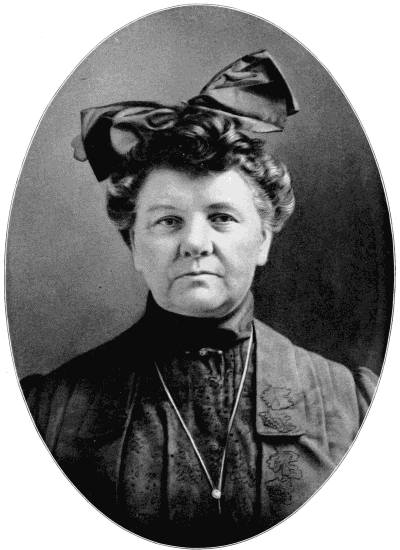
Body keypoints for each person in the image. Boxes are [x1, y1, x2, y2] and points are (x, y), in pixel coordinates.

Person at [21, 50, 377, 547]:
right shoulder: (46, 414)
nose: (194, 242)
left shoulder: (356, 406)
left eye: (222, 217)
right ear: (134, 244)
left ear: (264, 239)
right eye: (168, 220)